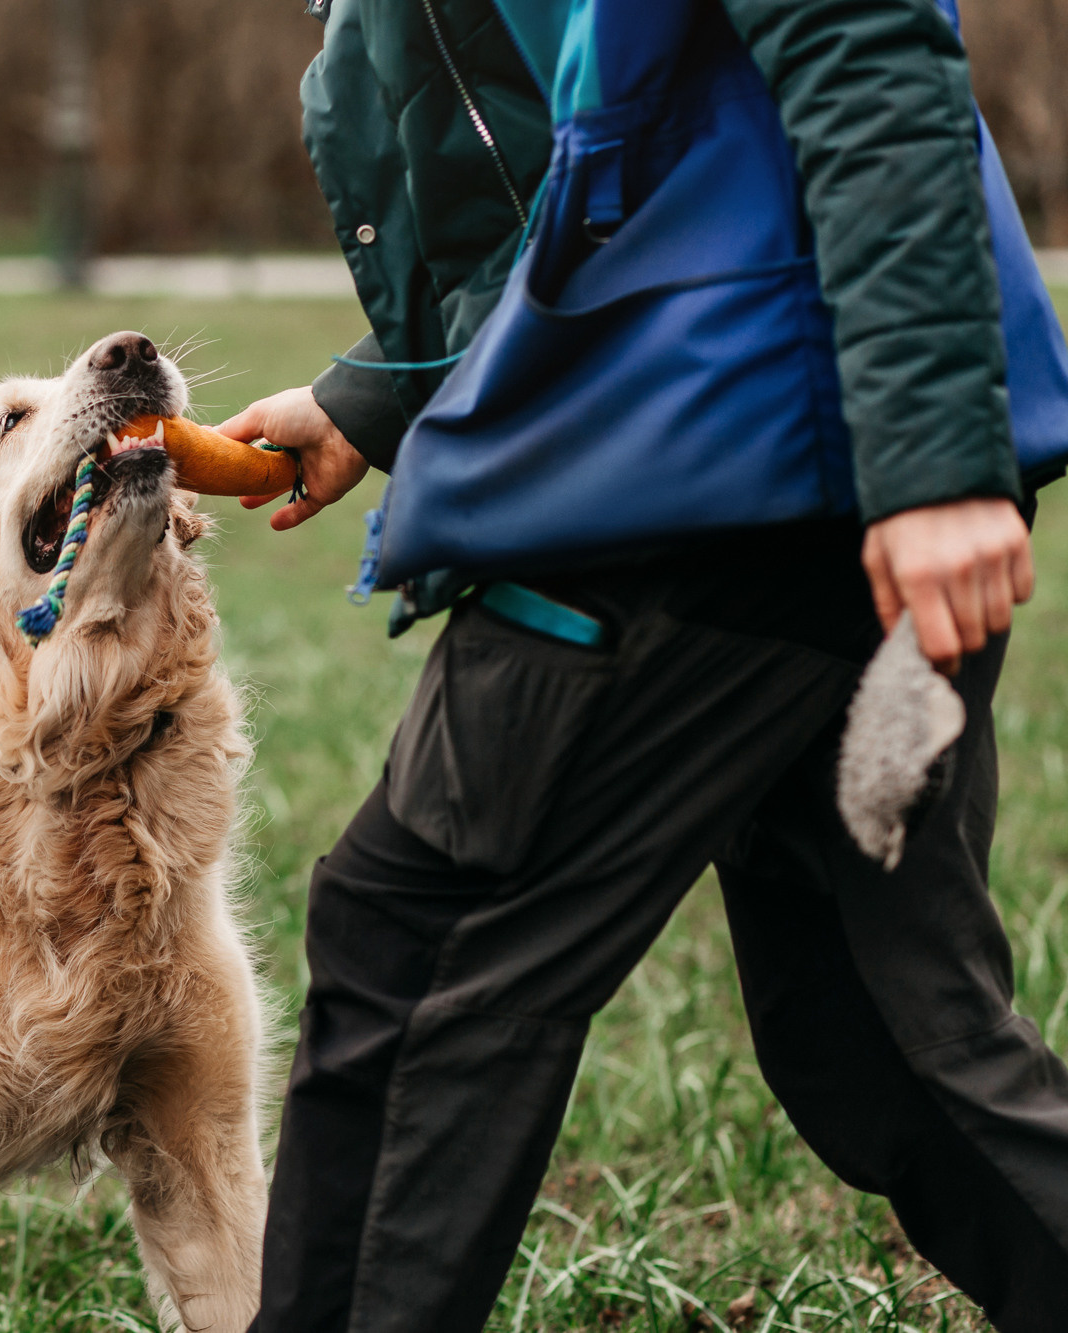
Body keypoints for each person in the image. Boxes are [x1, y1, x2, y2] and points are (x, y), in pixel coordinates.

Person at [216, 0, 1068, 1330]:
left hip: (717, 455)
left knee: (418, 959)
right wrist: (381, 393)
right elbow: (593, 141)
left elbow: (858, 35)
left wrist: (935, 458)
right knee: (893, 1043)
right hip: (771, 443)